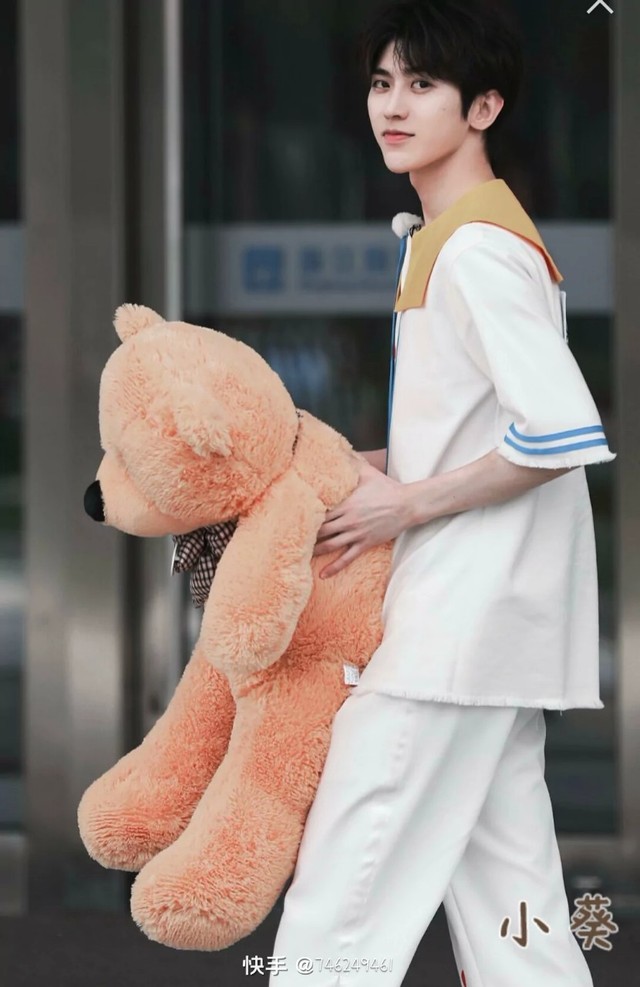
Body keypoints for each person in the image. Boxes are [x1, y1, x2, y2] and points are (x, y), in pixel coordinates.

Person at [269, 1, 616, 984]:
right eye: (382, 82)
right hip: (484, 630)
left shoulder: (475, 249)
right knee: (518, 924)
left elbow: (560, 433)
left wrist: (405, 504)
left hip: (453, 631)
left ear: (484, 107)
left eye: (423, 84)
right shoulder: (456, 237)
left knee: (341, 903)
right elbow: (479, 427)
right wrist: (367, 466)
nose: (393, 105)